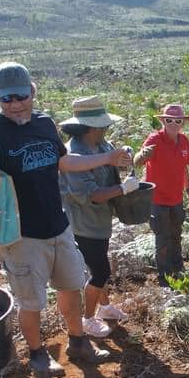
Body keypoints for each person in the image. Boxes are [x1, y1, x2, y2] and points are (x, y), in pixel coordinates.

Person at [0, 62, 132, 377]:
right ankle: (38, 354)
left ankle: (77, 341)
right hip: (20, 235)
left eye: (21, 96)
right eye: (6, 98)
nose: (15, 104)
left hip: (59, 225)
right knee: (31, 301)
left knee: (71, 287)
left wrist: (107, 158)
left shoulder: (43, 123)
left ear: (32, 91)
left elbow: (64, 162)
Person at [59, 96, 138, 338]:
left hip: (100, 220)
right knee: (100, 272)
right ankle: (88, 319)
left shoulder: (102, 145)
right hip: (83, 224)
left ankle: (104, 307)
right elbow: (92, 195)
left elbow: (114, 162)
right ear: (90, 127)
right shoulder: (73, 155)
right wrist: (123, 189)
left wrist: (126, 156)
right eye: (103, 125)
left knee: (99, 264)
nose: (106, 128)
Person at [133, 103, 189, 285]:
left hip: (177, 199)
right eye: (169, 120)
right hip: (157, 200)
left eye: (178, 121)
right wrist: (142, 155)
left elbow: (184, 168)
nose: (173, 124)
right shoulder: (155, 139)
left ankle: (178, 269)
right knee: (162, 238)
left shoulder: (184, 141)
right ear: (163, 121)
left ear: (183, 123)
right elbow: (138, 161)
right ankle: (164, 277)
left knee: (176, 235)